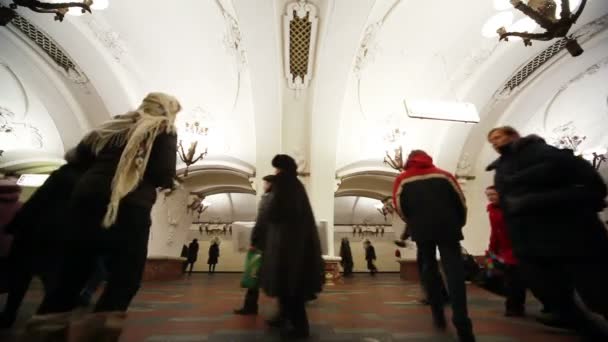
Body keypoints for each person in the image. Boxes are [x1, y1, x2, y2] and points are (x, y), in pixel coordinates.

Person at [36, 92, 180, 322]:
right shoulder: (162, 129)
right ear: (167, 110)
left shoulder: (116, 124)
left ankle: (46, 328)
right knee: (126, 276)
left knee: (73, 272)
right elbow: (162, 174)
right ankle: (101, 329)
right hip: (129, 206)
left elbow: (76, 156)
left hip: (85, 202)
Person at [486, 126, 608, 338]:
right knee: (554, 297)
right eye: (491, 140)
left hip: (574, 237)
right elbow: (509, 207)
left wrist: (532, 202)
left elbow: (594, 189)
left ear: (513, 135)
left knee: (597, 294)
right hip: (533, 244)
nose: (495, 142)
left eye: (498, 137)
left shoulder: (549, 155)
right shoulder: (503, 168)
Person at [0, 149, 94, 329]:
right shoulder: (83, 180)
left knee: (21, 280)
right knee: (52, 281)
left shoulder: (61, 176)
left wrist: (15, 227)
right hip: (56, 238)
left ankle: (10, 316)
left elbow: (36, 202)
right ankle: (49, 320)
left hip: (32, 235)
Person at [392, 150, 475, 342]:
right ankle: (462, 322)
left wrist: (413, 224)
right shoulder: (444, 175)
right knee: (454, 272)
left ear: (409, 161)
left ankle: (437, 314)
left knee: (428, 269)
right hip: (449, 228)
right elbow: (461, 201)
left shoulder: (403, 179)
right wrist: (458, 222)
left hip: (421, 230)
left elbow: (399, 206)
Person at [259, 154, 324, 339]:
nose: (275, 172)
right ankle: (283, 317)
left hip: (286, 246)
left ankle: (300, 328)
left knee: (290, 286)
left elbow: (276, 212)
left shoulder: (283, 183)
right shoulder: (296, 185)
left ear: (280, 168)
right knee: (290, 286)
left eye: (276, 168)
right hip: (296, 244)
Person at [234, 174, 275, 315]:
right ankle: (285, 312)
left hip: (262, 244)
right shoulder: (280, 199)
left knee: (253, 275)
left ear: (270, 184)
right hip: (274, 243)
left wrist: (254, 241)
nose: (264, 186)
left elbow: (261, 222)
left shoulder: (267, 199)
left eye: (265, 183)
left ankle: (250, 307)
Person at [485, 185, 527, 317]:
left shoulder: (511, 208)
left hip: (517, 247)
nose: (491, 197)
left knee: (516, 279)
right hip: (505, 249)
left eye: (493, 194)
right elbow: (495, 232)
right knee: (512, 279)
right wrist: (492, 250)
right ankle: (513, 307)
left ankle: (515, 307)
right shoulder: (492, 210)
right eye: (488, 195)